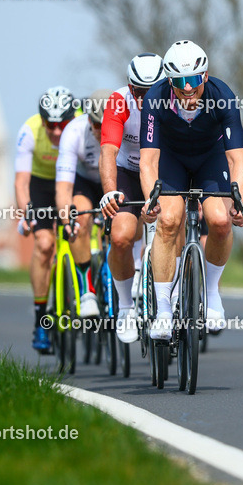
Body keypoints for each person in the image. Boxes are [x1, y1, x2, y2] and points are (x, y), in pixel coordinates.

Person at [137, 40, 243, 340]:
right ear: (169, 81)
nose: (188, 89)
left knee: (221, 221)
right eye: (180, 82)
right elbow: (148, 160)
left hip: (209, 160)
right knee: (170, 220)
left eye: (194, 81)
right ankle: (162, 310)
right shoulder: (155, 99)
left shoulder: (223, 97)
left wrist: (239, 201)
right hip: (172, 160)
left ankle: (212, 295)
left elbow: (237, 159)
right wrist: (151, 200)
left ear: (206, 76)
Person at [98, 53, 164, 344]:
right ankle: (126, 307)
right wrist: (110, 190)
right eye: (138, 91)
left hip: (165, 169)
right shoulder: (118, 101)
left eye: (150, 92)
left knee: (174, 228)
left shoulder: (177, 102)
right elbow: (108, 152)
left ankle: (174, 301)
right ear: (129, 86)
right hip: (128, 172)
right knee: (122, 237)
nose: (143, 99)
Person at [15, 86, 76, 352]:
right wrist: (27, 213)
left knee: (85, 231)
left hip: (74, 180)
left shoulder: (84, 123)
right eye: (50, 125)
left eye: (63, 123)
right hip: (41, 185)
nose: (56, 131)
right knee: (44, 245)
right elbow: (21, 183)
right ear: (42, 121)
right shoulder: (29, 131)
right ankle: (41, 319)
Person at [54, 88, 115, 320]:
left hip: (115, 178)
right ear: (89, 120)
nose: (102, 131)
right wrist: (65, 218)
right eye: (97, 125)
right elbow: (63, 187)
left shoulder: (127, 127)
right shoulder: (74, 132)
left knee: (120, 225)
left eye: (107, 125)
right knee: (79, 217)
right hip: (85, 181)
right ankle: (86, 289)